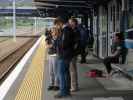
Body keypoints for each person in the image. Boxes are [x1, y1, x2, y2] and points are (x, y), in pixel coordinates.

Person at [54, 17, 74, 98]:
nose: (57, 27)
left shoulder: (65, 31)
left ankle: (63, 92)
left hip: (64, 55)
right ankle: (67, 91)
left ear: (60, 23)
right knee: (66, 73)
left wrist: (57, 43)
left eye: (57, 25)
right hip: (67, 54)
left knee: (61, 73)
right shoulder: (68, 30)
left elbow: (64, 44)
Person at [45, 26, 60, 91]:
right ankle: (52, 84)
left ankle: (57, 85)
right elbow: (47, 45)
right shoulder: (49, 38)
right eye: (52, 31)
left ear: (56, 31)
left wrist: (50, 46)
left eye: (54, 31)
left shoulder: (59, 38)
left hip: (56, 55)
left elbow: (57, 46)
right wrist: (49, 46)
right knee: (50, 71)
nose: (52, 32)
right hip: (50, 55)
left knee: (55, 71)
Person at [68, 18, 80, 92]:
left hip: (72, 53)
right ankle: (74, 85)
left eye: (70, 22)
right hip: (73, 52)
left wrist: (71, 50)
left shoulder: (75, 31)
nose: (69, 24)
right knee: (72, 70)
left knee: (72, 70)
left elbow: (76, 43)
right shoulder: (74, 30)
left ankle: (74, 87)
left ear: (74, 23)